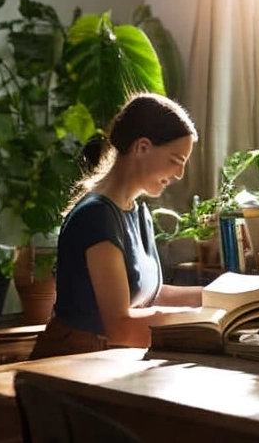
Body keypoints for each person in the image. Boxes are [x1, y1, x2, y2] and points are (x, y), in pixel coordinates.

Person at [30, 93, 203, 359]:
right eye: (175, 161)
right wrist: (206, 322)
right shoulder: (96, 216)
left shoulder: (138, 212)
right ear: (142, 147)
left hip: (109, 359)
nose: (179, 174)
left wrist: (228, 299)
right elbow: (120, 326)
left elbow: (149, 296)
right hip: (74, 363)